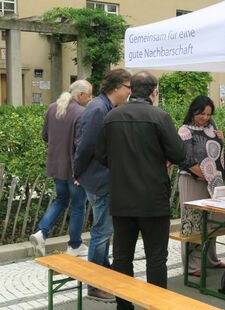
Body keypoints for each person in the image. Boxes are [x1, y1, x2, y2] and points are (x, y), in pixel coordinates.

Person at [95, 71, 185, 310]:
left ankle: (124, 307)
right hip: (153, 198)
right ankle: (156, 306)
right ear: (154, 92)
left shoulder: (112, 116)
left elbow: (101, 155)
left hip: (122, 197)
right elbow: (179, 154)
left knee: (122, 257)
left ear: (132, 89)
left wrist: (122, 165)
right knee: (156, 257)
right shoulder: (160, 116)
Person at [73, 68, 132, 300]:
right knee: (101, 232)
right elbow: (85, 146)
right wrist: (77, 172)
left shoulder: (104, 107)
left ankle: (103, 276)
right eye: (128, 87)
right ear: (117, 88)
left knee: (104, 231)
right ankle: (94, 285)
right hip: (99, 181)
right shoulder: (98, 109)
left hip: (102, 179)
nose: (130, 91)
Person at [30, 80, 92, 258]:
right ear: (80, 95)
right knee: (78, 206)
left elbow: (45, 136)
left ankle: (41, 233)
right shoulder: (81, 112)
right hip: (74, 169)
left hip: (56, 166)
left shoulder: (52, 108)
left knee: (61, 200)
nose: (90, 99)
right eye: (89, 95)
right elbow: (80, 146)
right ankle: (74, 245)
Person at [177, 95, 225, 276]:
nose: (205, 118)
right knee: (192, 222)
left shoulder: (212, 126)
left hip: (211, 182)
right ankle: (192, 266)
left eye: (208, 114)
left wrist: (222, 140)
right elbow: (187, 159)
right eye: (201, 114)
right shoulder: (185, 130)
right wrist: (207, 175)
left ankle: (210, 260)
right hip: (192, 181)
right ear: (193, 111)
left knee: (211, 221)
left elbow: (217, 153)